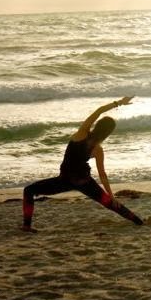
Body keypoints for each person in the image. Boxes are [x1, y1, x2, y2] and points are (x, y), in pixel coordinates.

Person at [21, 97, 144, 232]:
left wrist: (118, 103)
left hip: (65, 180)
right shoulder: (98, 149)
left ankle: (27, 226)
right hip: (85, 182)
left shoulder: (82, 133)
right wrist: (111, 196)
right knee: (110, 203)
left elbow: (99, 111)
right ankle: (138, 221)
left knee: (29, 190)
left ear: (97, 125)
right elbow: (102, 174)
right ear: (107, 134)